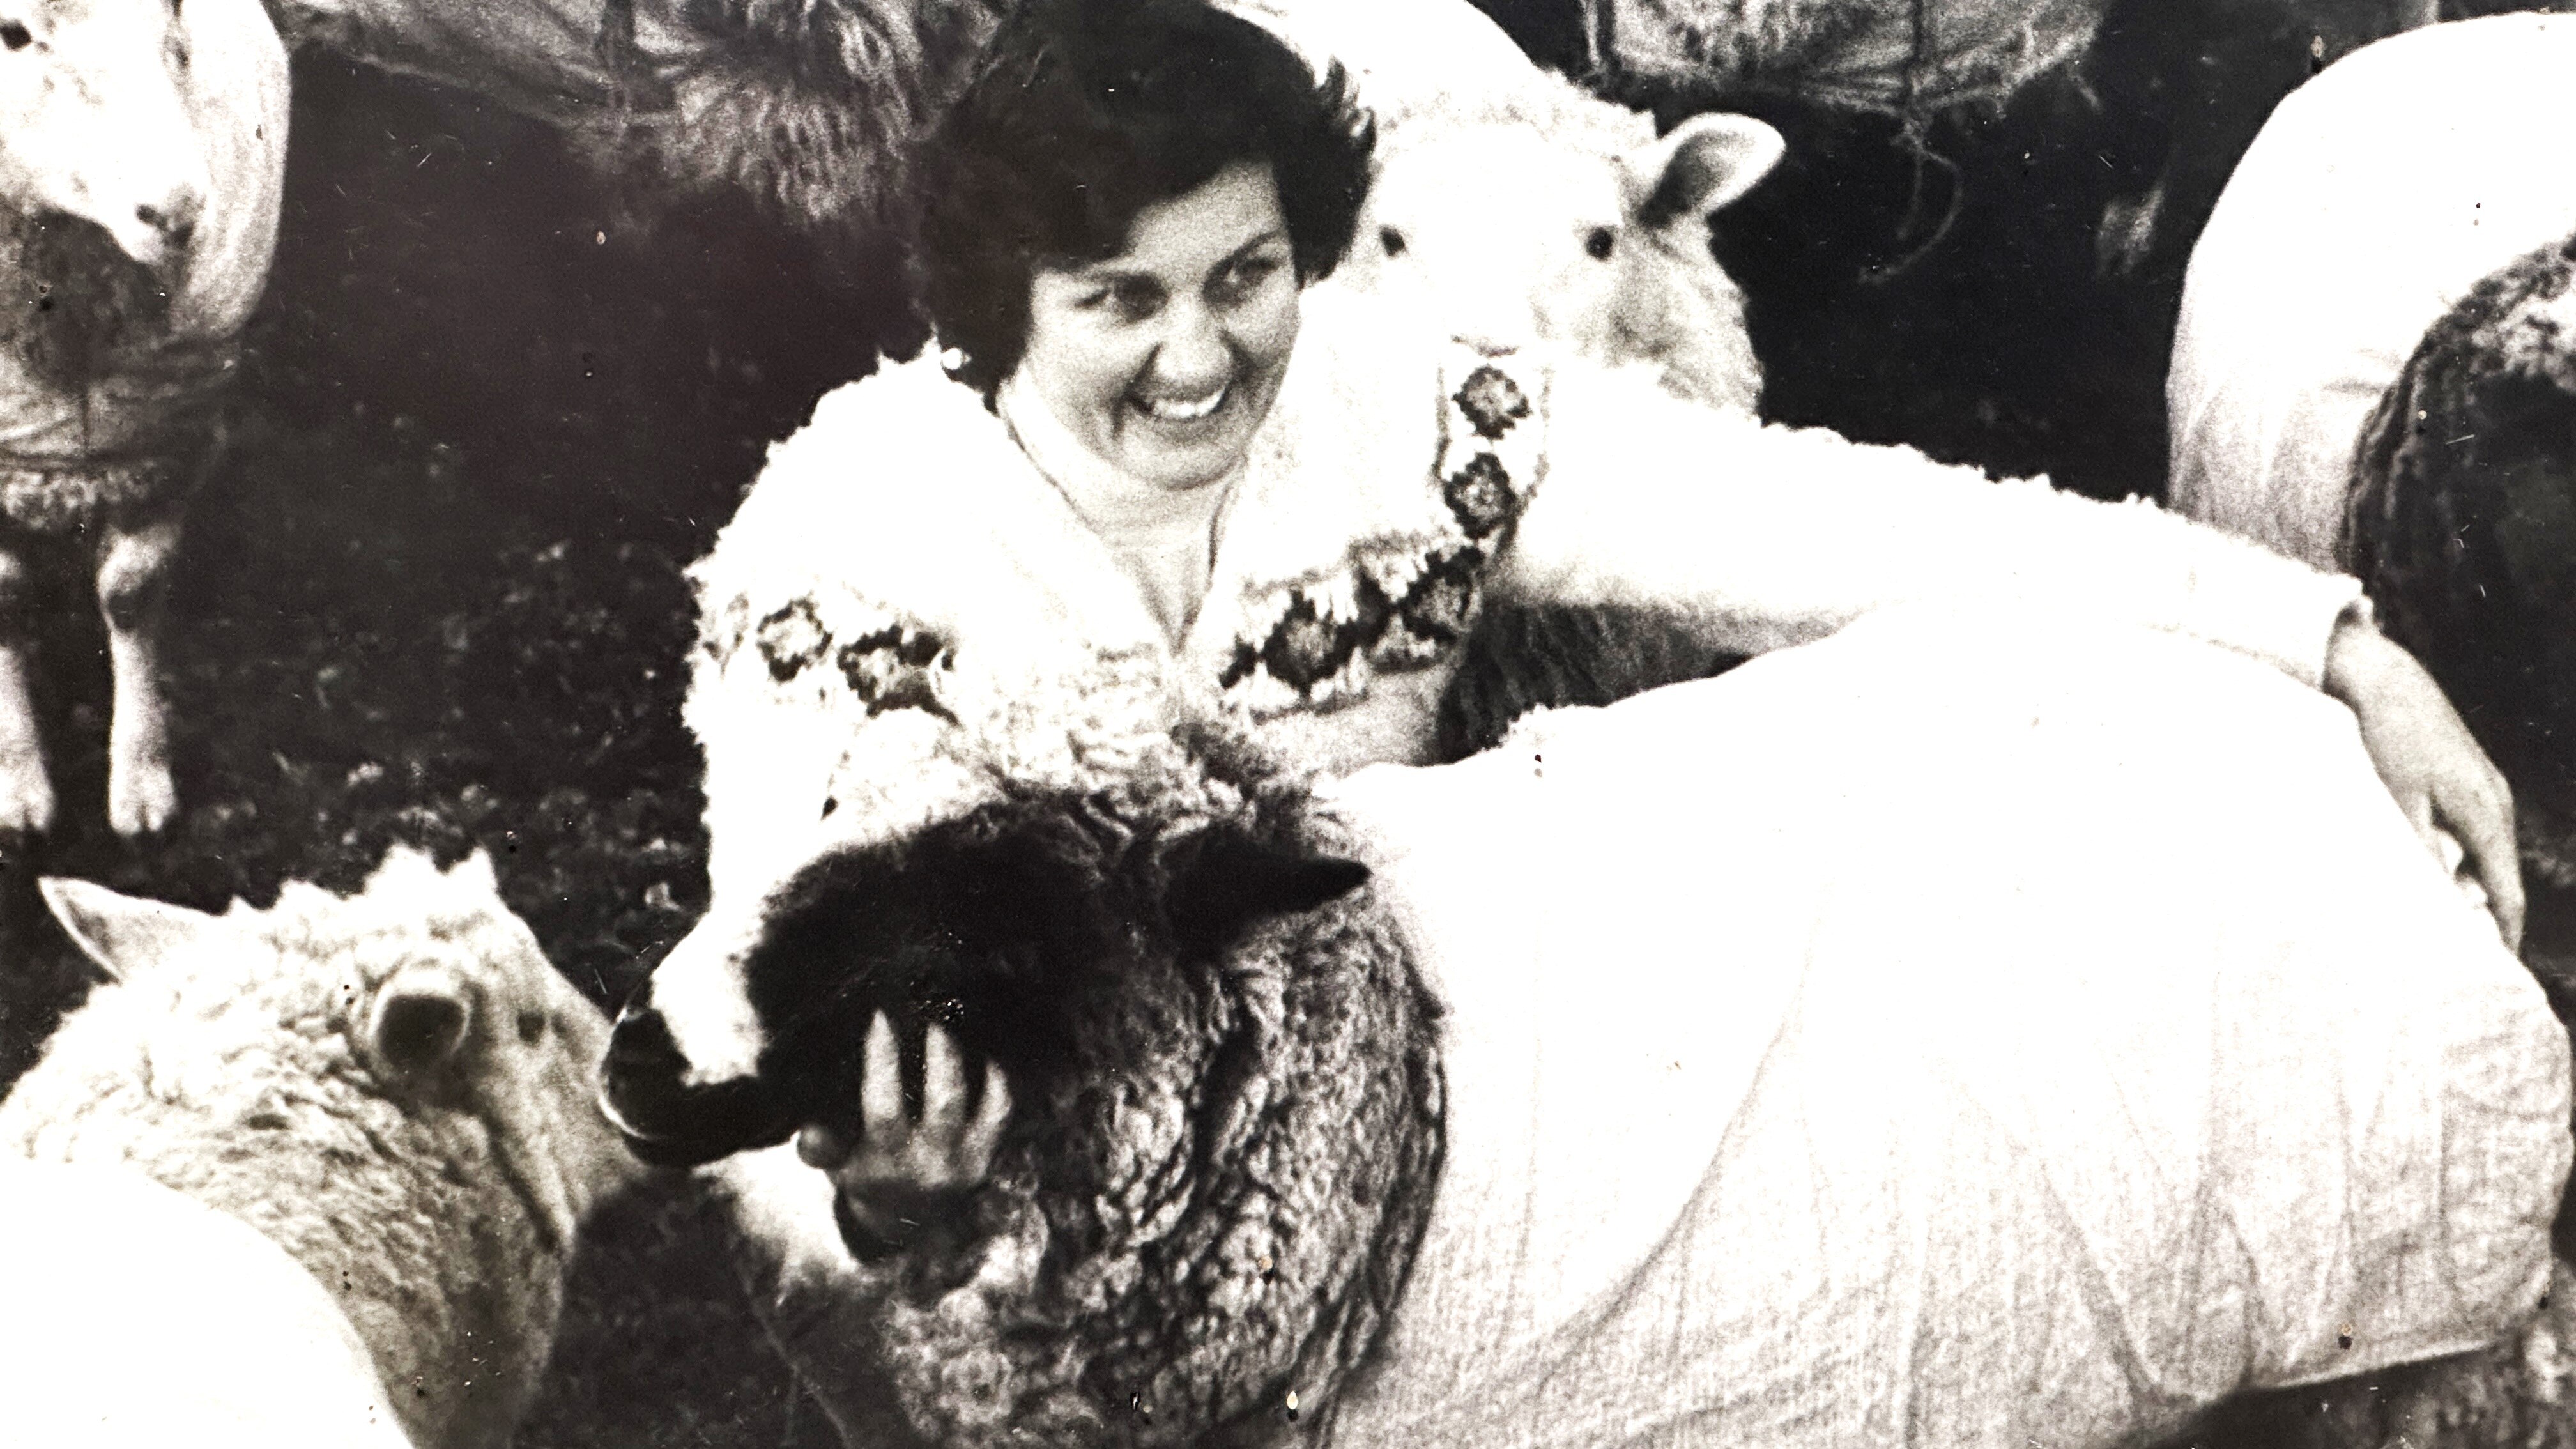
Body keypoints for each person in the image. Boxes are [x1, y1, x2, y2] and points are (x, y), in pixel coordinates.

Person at [663, 0, 2538, 1411]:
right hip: (1025, 1229)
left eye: (1246, 276)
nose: (1199, 355)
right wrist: (890, 1202)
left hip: (1389, 1117)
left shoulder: (1408, 409)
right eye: (1118, 300)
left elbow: (1842, 522)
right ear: (999, 298)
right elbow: (765, 991)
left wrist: (2329, 639)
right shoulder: (852, 556)